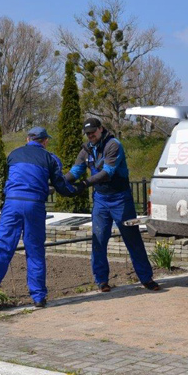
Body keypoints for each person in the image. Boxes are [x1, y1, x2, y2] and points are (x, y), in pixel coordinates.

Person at [0, 127, 81, 310]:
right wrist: (78, 188)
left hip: (12, 204)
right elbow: (61, 186)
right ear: (45, 141)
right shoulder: (51, 158)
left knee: (2, 247)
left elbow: (11, 179)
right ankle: (38, 297)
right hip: (34, 206)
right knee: (35, 249)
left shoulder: (13, 154)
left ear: (27, 139)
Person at [65, 118, 159, 293]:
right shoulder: (86, 150)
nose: (90, 136)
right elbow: (75, 171)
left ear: (101, 129)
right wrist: (59, 184)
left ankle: (146, 278)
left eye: (93, 132)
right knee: (99, 240)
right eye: (87, 133)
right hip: (100, 200)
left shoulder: (113, 145)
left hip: (121, 200)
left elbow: (107, 172)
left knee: (132, 239)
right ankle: (102, 281)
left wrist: (85, 184)